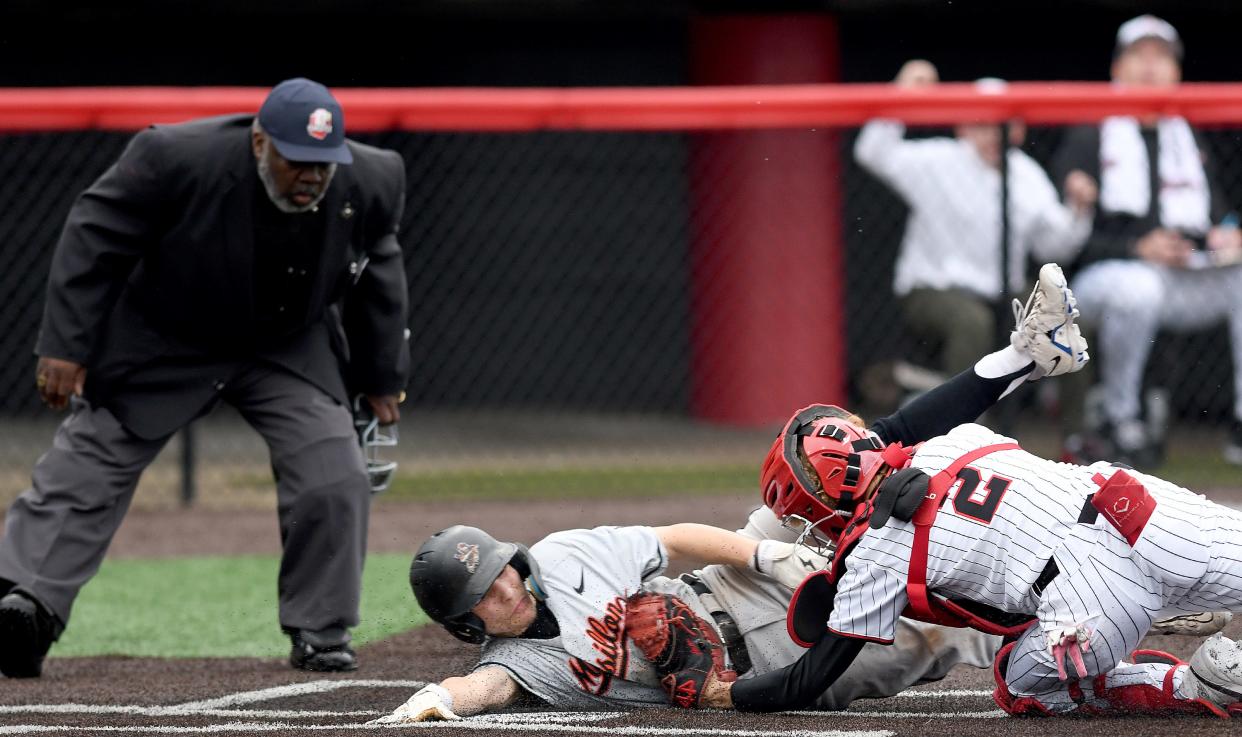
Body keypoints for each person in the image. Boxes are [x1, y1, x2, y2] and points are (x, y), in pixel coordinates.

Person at [370, 263, 1101, 723]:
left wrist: (768, 553)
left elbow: (676, 539)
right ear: (467, 624)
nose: (502, 583)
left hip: (729, 578)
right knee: (946, 622)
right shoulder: (519, 663)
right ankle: (1112, 600)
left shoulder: (559, 556)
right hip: (763, 665)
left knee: (841, 458)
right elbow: (486, 691)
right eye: (483, 591)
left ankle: (1022, 356)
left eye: (497, 566)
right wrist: (439, 698)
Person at [0, 78, 410, 678]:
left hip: (286, 344)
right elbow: (94, 232)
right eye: (297, 160)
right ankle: (25, 604)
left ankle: (321, 630)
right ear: (259, 141)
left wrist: (381, 376)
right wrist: (65, 344)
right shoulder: (172, 157)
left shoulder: (373, 179)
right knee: (89, 462)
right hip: (167, 338)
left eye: (324, 163)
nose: (312, 176)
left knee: (333, 471)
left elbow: (381, 276)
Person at [677, 296, 1242, 717]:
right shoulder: (948, 439)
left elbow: (807, 680)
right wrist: (1020, 356)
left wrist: (730, 693)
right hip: (1140, 507)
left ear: (821, 501)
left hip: (1092, 600)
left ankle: (1191, 684)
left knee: (1021, 688)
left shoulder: (874, 559)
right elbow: (928, 411)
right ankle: (1167, 599)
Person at [1052, 15, 1242, 467]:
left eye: (1162, 57)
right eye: (1140, 55)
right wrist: (1136, 249)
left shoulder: (1185, 134)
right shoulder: (1090, 131)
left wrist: (1226, 234)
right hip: (1098, 284)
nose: (1152, 66)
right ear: (1117, 68)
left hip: (1178, 278)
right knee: (1138, 286)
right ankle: (1122, 418)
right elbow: (1063, 246)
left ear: (1177, 72)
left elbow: (1219, 213)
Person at [855, 59, 1097, 378]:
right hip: (932, 287)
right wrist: (901, 92)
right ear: (962, 126)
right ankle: (961, 425)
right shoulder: (938, 159)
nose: (994, 134)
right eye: (983, 123)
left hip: (1002, 292)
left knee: (1063, 319)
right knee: (972, 322)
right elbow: (871, 152)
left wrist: (1078, 209)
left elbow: (1054, 247)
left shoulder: (1026, 173)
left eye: (1003, 124)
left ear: (1019, 130)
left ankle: (1075, 429)